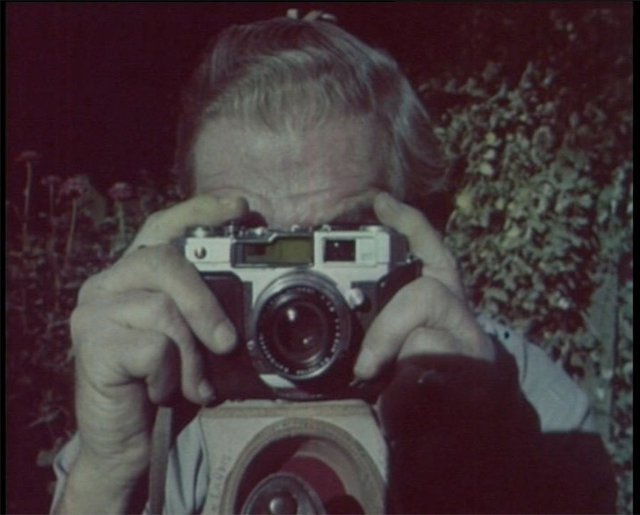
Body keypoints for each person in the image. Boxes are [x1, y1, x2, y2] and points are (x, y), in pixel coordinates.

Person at [50, 13, 615, 514]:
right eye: (251, 248)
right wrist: (109, 471)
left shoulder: (515, 401)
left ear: (420, 228)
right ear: (189, 247)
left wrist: (488, 479)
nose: (295, 297)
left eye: (342, 244)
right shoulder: (168, 385)